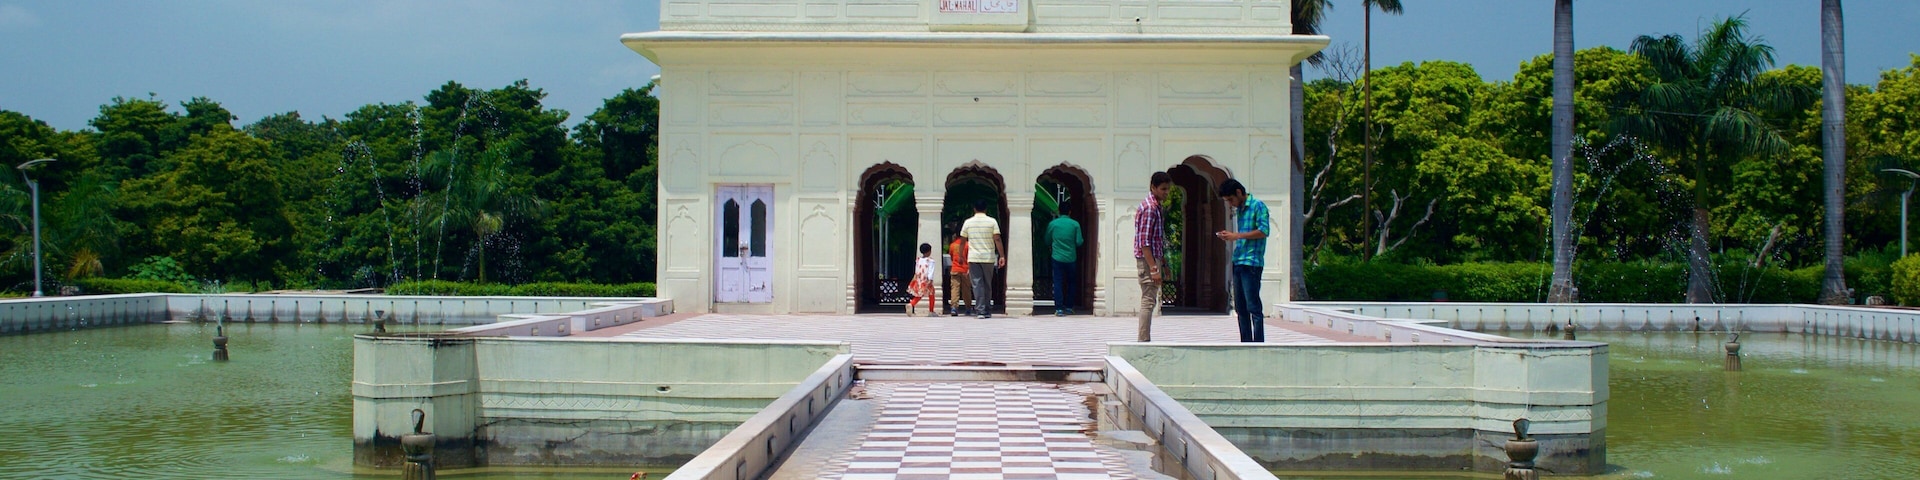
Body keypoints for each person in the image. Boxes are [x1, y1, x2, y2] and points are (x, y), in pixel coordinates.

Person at [1215, 178, 1270, 342]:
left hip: (1252, 263)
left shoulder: (1258, 206)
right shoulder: (1239, 210)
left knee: (1253, 306)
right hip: (1239, 260)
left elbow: (1264, 230)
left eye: (1231, 199)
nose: (1231, 204)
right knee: (1240, 307)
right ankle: (1245, 341)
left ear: (1239, 192)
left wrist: (1236, 236)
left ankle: (1258, 342)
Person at [1135, 172, 1172, 341]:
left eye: (1168, 189)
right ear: (1153, 187)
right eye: (1163, 189)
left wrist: (1162, 263)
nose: (1166, 192)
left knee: (1150, 300)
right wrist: (1154, 268)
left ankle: (1144, 338)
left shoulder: (1155, 206)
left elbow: (1156, 239)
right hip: (1147, 260)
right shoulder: (1150, 208)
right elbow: (1145, 242)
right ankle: (1143, 340)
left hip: (1152, 259)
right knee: (1148, 301)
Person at [961, 200, 1005, 319]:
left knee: (977, 284)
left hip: (973, 257)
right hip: (988, 257)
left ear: (974, 209)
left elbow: (963, 241)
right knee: (987, 284)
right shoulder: (992, 222)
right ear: (986, 209)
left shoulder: (968, 222)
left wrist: (961, 255)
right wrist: (1002, 255)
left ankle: (980, 310)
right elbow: (997, 239)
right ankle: (986, 309)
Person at [1046, 203, 1083, 316]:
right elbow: (1079, 242)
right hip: (1071, 257)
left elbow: (1047, 240)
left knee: (1058, 282)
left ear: (1058, 211)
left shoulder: (1053, 224)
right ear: (1070, 212)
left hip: (1056, 257)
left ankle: (1059, 308)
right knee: (1071, 282)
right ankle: (1069, 307)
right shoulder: (1075, 224)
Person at [907, 242, 937, 317]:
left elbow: (917, 270)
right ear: (929, 251)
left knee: (920, 294)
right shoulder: (930, 261)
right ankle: (930, 310)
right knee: (931, 294)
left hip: (919, 279)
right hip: (926, 280)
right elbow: (931, 271)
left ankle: (912, 304)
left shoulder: (918, 260)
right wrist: (930, 279)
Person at [946, 233, 972, 316]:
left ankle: (954, 308)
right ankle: (968, 307)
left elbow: (951, 256)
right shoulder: (968, 245)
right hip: (965, 270)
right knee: (966, 290)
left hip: (955, 269)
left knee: (955, 289)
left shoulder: (952, 245)